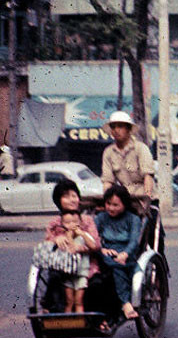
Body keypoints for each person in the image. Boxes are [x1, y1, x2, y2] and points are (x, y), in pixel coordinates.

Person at [44, 180, 101, 313]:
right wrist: (56, 239)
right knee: (54, 278)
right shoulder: (54, 223)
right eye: (66, 196)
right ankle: (52, 309)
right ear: (59, 201)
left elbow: (96, 244)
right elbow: (47, 243)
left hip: (86, 265)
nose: (71, 200)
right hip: (62, 265)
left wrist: (80, 246)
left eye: (74, 196)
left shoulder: (87, 220)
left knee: (97, 283)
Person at [96, 184, 143, 320]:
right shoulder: (101, 218)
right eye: (108, 204)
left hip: (126, 254)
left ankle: (125, 302)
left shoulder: (133, 219)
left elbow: (134, 241)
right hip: (105, 253)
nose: (111, 208)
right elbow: (93, 236)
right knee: (111, 263)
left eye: (116, 205)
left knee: (116, 265)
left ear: (124, 205)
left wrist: (125, 253)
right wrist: (102, 249)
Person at [101, 111, 155, 209]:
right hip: (124, 199)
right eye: (113, 127)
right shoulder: (108, 152)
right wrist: (106, 201)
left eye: (120, 126)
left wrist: (147, 199)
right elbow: (107, 181)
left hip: (142, 196)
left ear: (129, 129)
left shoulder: (141, 148)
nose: (116, 130)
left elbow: (148, 176)